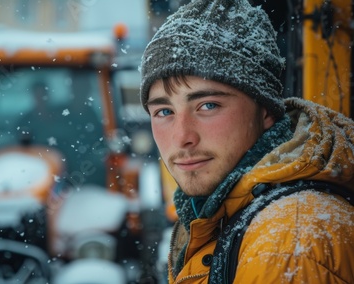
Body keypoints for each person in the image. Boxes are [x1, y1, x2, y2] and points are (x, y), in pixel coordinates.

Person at [139, 0, 354, 283]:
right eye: (164, 112)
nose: (182, 138)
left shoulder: (288, 241)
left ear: (265, 110)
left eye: (208, 106)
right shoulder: (228, 214)